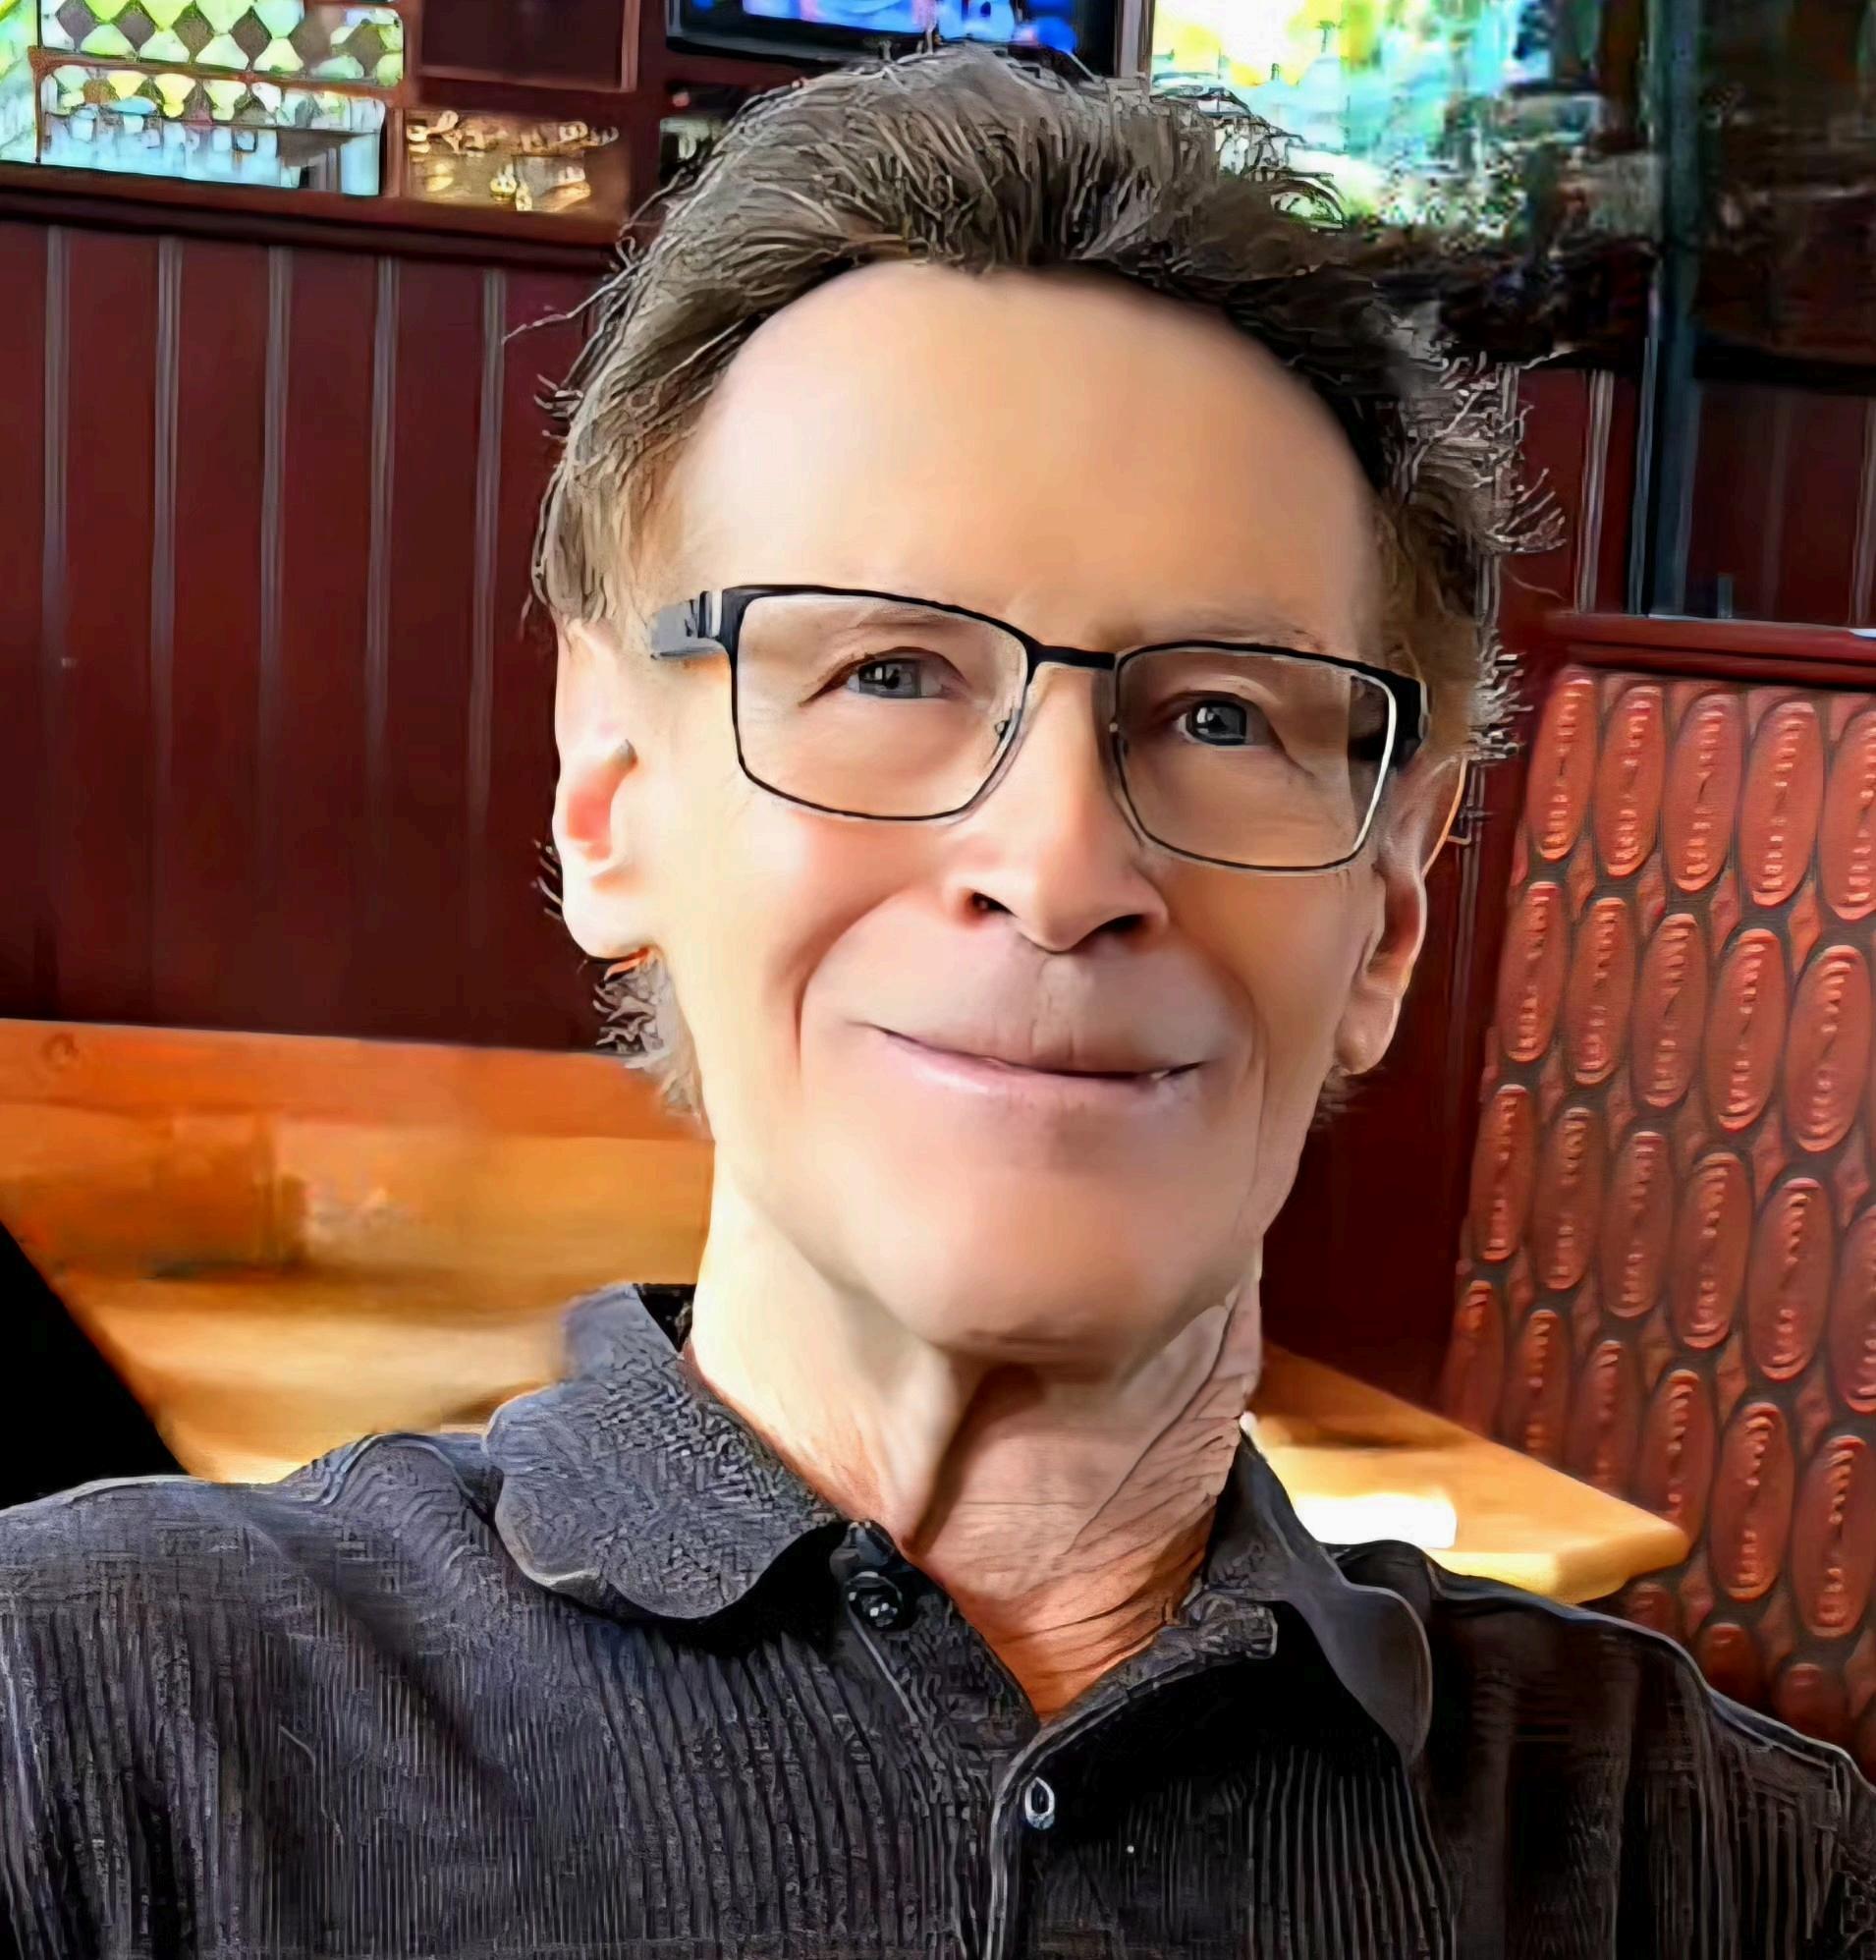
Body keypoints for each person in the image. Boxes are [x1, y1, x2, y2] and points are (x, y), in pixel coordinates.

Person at [2, 48, 1870, 1960]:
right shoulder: (89, 1728)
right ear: (612, 799)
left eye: (1222, 715)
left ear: (1387, 912)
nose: (1057, 866)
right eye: (887, 673)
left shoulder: (1730, 1874)